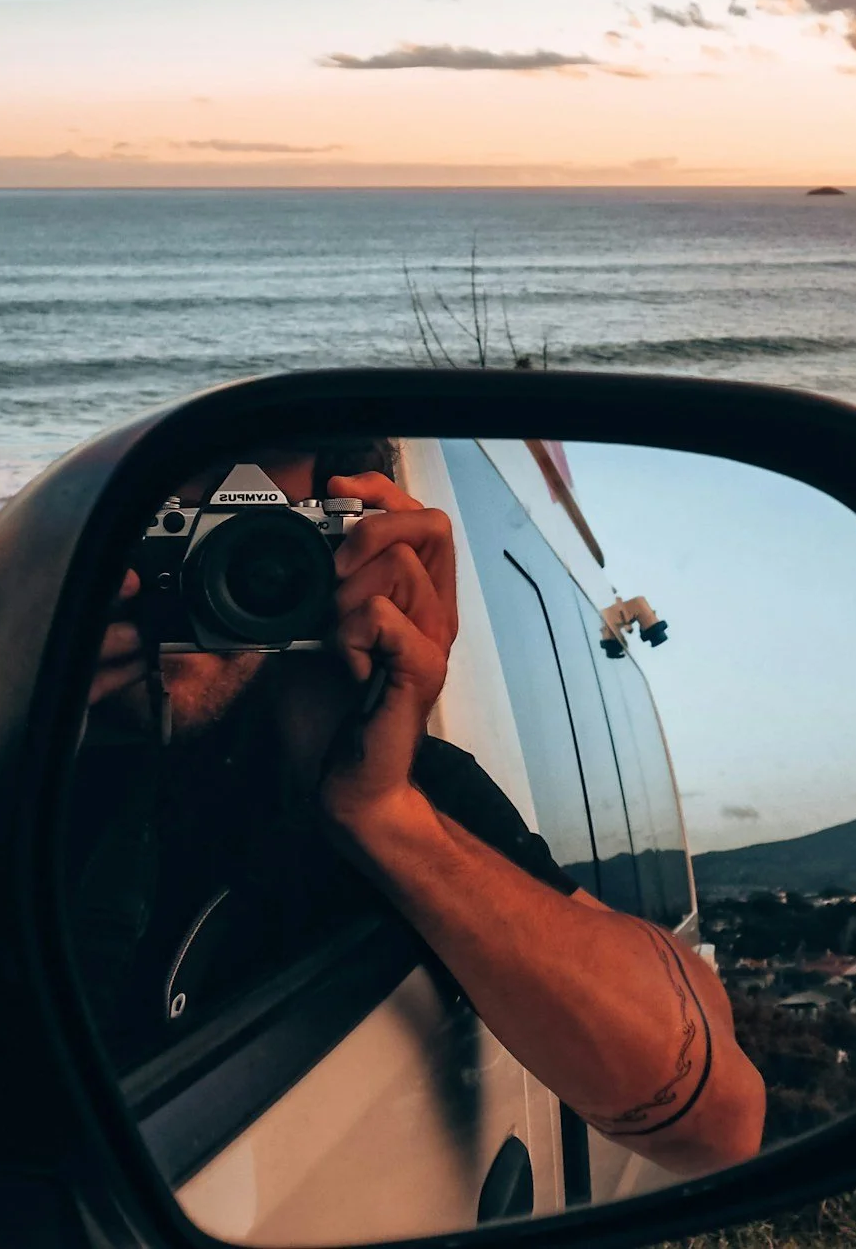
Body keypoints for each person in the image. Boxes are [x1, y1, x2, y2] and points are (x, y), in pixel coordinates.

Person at [66, 440, 765, 1178]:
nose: (206, 569)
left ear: (343, 554)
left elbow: (722, 1124)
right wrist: (25, 701)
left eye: (253, 536)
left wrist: (384, 815)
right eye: (161, 528)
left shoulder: (358, 769)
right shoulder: (5, 735)